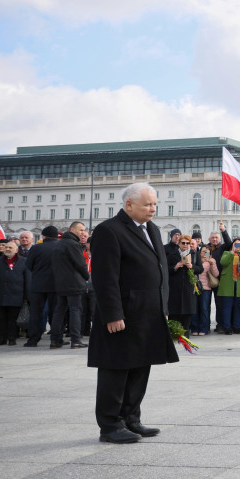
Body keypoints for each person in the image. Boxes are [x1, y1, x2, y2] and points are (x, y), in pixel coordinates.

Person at [88, 182, 179, 444]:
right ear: (129, 205)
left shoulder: (152, 228)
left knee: (140, 367)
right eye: (148, 204)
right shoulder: (109, 230)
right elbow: (105, 278)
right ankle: (110, 425)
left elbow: (160, 271)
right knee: (116, 369)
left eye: (154, 204)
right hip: (123, 315)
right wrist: (113, 314)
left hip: (148, 314)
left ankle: (131, 418)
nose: (153, 209)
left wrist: (163, 309)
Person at [51, 221, 90, 349]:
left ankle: (55, 340)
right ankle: (75, 340)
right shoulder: (73, 244)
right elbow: (80, 264)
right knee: (75, 310)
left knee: (59, 311)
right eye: (81, 230)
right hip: (74, 283)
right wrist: (86, 277)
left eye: (84, 230)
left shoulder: (59, 243)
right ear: (72, 230)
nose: (83, 232)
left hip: (60, 283)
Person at [0, 239, 29, 346]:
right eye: (6, 247)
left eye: (10, 247)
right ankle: (0, 339)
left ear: (16, 250)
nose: (7, 249)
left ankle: (12, 338)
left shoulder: (24, 261)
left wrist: (26, 297)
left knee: (13, 320)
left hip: (16, 296)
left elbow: (28, 280)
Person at [24, 225, 60, 347]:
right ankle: (56, 339)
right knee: (56, 312)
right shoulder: (60, 246)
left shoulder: (36, 248)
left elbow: (28, 265)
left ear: (43, 236)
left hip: (38, 284)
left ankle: (33, 339)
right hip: (56, 284)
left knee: (36, 312)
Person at [165, 232, 200, 335]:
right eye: (183, 243)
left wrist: (192, 266)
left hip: (189, 288)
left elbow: (200, 269)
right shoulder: (172, 255)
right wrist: (175, 267)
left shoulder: (194, 254)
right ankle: (176, 334)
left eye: (187, 243)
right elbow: (165, 269)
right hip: (175, 287)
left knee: (188, 312)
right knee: (174, 311)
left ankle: (186, 334)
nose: (185, 245)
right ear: (179, 244)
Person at [217, 239, 240, 334]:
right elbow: (223, 262)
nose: (237, 246)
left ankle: (236, 327)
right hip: (228, 285)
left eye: (239, 244)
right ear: (232, 245)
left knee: (238, 307)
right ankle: (227, 327)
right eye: (235, 244)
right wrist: (232, 251)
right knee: (227, 307)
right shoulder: (227, 253)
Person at [193, 245, 218, 336]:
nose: (204, 254)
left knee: (204, 308)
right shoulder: (195, 259)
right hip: (195, 287)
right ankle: (195, 328)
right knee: (195, 308)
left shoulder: (211, 261)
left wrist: (213, 265)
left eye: (207, 252)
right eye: (203, 251)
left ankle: (204, 328)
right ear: (200, 252)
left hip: (206, 288)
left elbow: (216, 274)